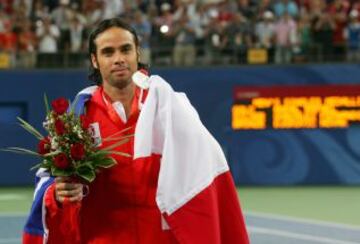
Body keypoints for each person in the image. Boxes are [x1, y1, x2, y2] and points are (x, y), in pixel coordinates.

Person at [23, 18, 249, 244]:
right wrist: (58, 195)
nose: (119, 59)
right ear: (95, 60)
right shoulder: (76, 119)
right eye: (108, 52)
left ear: (137, 53)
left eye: (125, 49)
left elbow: (205, 170)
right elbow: (50, 187)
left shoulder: (171, 109)